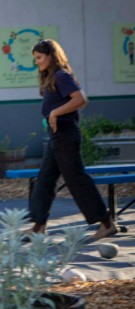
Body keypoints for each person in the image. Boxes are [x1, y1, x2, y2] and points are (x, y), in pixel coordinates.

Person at [28, 39, 117, 241]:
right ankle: (38, 227)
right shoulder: (53, 78)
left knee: (76, 180)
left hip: (65, 135)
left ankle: (106, 223)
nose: (37, 62)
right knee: (45, 180)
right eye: (35, 59)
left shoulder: (61, 76)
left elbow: (81, 99)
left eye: (39, 58)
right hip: (56, 136)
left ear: (51, 56)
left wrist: (55, 114)